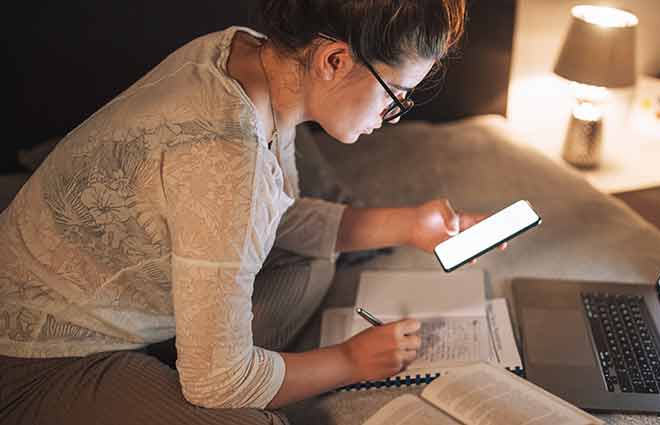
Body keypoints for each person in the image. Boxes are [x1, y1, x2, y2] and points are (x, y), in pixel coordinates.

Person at [0, 1, 505, 424]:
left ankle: (187, 353)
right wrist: (351, 361)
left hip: (129, 307)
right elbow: (220, 382)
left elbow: (269, 220)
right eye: (395, 97)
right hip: (40, 360)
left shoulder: (244, 52)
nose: (389, 117)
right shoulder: (223, 155)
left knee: (313, 260)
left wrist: (410, 225)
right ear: (334, 60)